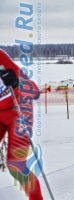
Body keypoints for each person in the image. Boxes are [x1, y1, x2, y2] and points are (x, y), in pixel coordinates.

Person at [0, 49, 43, 200]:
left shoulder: (0, 57)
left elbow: (34, 90)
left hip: (19, 110)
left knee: (16, 165)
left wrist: (15, 81)